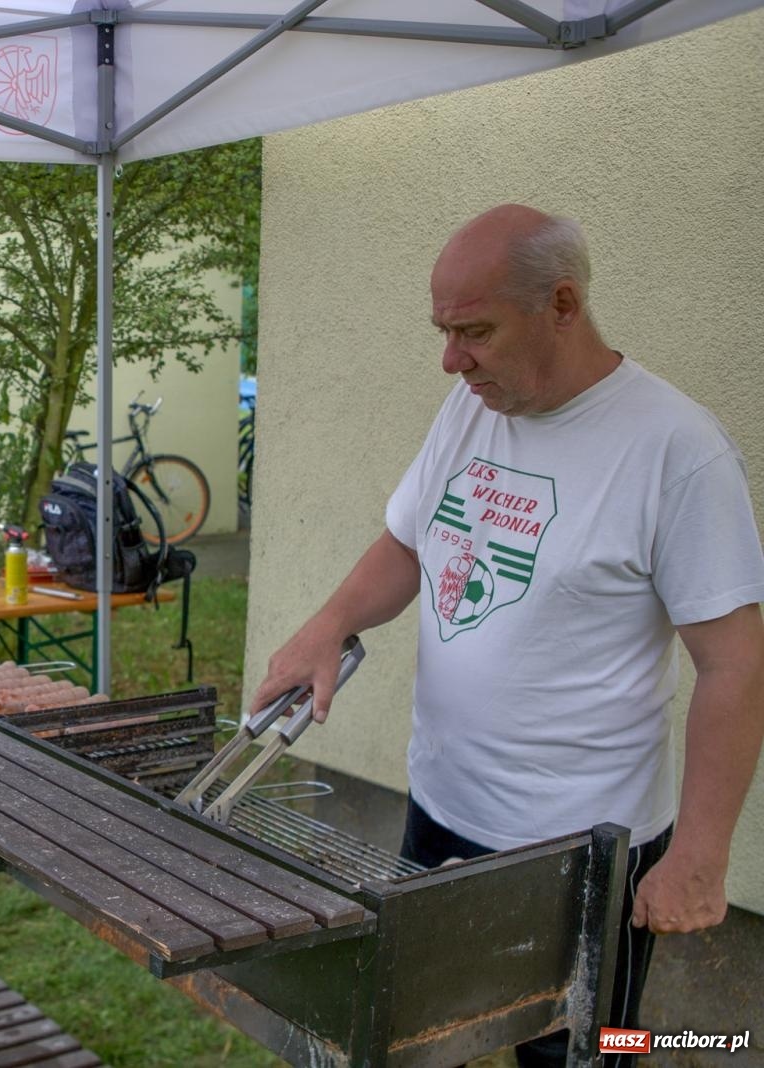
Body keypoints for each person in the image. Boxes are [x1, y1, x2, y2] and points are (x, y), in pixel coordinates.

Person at [250, 204, 764, 1067]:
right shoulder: (472, 407)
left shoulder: (677, 450)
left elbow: (735, 667)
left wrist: (704, 855)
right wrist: (325, 625)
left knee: (582, 1051)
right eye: (444, 331)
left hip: (579, 853)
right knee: (415, 1031)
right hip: (441, 808)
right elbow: (411, 540)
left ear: (562, 304)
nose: (452, 360)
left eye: (476, 331)